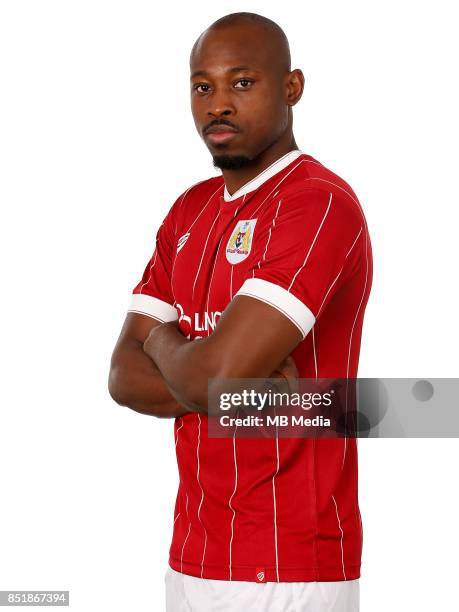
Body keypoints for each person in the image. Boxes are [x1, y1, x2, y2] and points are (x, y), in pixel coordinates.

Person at [108, 11, 373, 612]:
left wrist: (166, 345)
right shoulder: (188, 212)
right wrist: (217, 379)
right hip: (192, 554)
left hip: (292, 563)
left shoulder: (318, 205)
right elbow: (121, 377)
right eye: (203, 86)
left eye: (242, 82)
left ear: (292, 88)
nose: (218, 104)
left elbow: (217, 378)